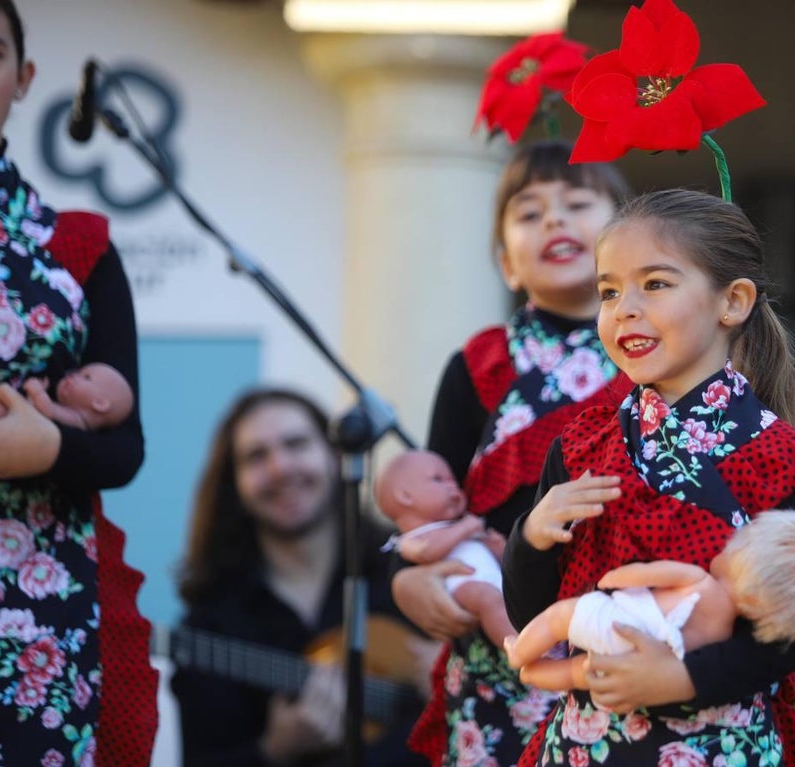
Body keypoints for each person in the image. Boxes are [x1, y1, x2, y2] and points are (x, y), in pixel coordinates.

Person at [502, 188, 795, 767]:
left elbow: (791, 628)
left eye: (655, 284)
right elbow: (535, 615)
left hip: (720, 744)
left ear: (733, 301)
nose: (624, 308)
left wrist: (680, 679)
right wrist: (531, 537)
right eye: (609, 291)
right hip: (587, 745)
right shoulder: (581, 446)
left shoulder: (779, 455)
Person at [391, 139, 632, 767]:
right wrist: (407, 579)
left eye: (576, 203)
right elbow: (428, 502)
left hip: (628, 643)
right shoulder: (481, 365)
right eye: (529, 212)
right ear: (506, 265)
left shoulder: (655, 352)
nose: (553, 220)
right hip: (500, 663)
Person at [0, 1, 155, 764]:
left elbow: (125, 450)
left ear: (23, 79)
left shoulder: (75, 248)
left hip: (39, 607)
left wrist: (47, 446)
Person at [170, 388, 438, 767]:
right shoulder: (212, 626)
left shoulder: (409, 567)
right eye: (256, 456)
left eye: (296, 444)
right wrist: (273, 751)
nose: (280, 467)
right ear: (235, 483)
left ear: (335, 456)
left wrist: (455, 675)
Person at [505, 509, 795, 691]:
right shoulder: (724, 634)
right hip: (643, 662)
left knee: (559, 618)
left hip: (619, 621)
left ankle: (520, 653)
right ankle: (534, 675)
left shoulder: (700, 580)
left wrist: (613, 580)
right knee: (580, 673)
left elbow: (650, 573)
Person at [376, 449, 514, 648]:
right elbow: (427, 551)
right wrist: (465, 528)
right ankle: (520, 648)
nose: (453, 486)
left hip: (496, 579)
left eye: (454, 481)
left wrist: (498, 549)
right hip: (461, 585)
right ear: (405, 496)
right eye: (438, 479)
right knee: (487, 600)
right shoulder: (411, 539)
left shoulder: (452, 526)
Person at [0, 362, 134, 430]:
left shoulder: (76, 421)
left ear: (100, 403)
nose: (74, 375)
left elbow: (47, 411)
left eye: (86, 377)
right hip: (14, 421)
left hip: (10, 424)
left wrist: (37, 391)